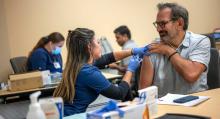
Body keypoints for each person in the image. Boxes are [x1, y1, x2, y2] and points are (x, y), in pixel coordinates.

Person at [53, 28, 146, 116]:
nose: (100, 45)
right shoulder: (88, 72)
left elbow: (108, 57)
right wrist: (130, 69)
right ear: (89, 47)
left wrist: (133, 51)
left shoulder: (78, 65)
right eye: (98, 42)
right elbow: (120, 93)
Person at [139, 3, 210, 97]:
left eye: (163, 24)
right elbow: (144, 91)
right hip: (164, 107)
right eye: (157, 24)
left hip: (195, 105)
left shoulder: (200, 41)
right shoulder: (153, 48)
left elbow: (191, 74)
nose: (158, 29)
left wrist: (168, 50)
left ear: (180, 23)